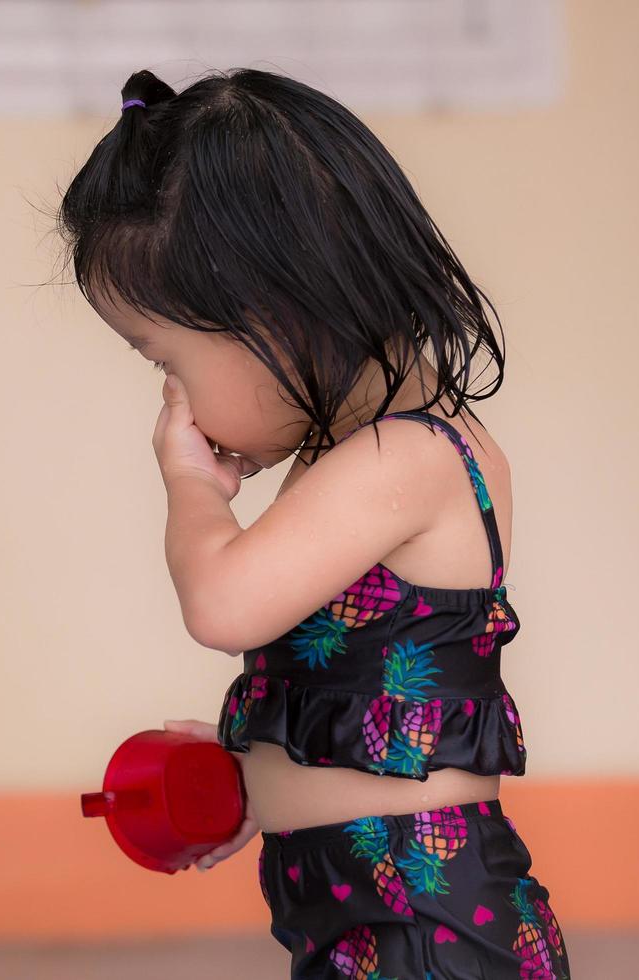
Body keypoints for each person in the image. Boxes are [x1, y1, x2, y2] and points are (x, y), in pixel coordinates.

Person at [53, 67, 570, 978]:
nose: (172, 399)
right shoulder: (347, 461)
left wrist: (193, 488)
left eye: (164, 358)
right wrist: (254, 766)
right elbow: (355, 682)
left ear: (276, 320)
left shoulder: (407, 459)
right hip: (358, 910)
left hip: (427, 922)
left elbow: (222, 605)